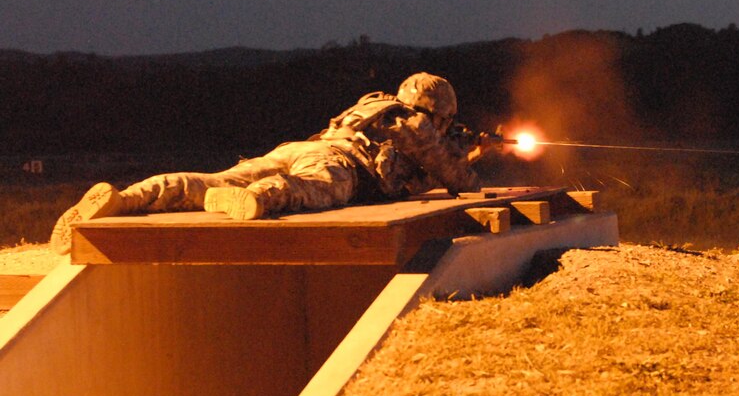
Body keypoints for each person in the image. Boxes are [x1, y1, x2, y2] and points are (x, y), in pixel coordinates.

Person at [50, 72, 499, 254]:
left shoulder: (375, 106)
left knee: (213, 179)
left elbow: (425, 167)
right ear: (436, 110)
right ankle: (257, 200)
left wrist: (470, 146)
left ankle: (127, 198)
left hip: (302, 145)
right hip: (341, 164)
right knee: (311, 192)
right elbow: (456, 177)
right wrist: (477, 159)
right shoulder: (415, 125)